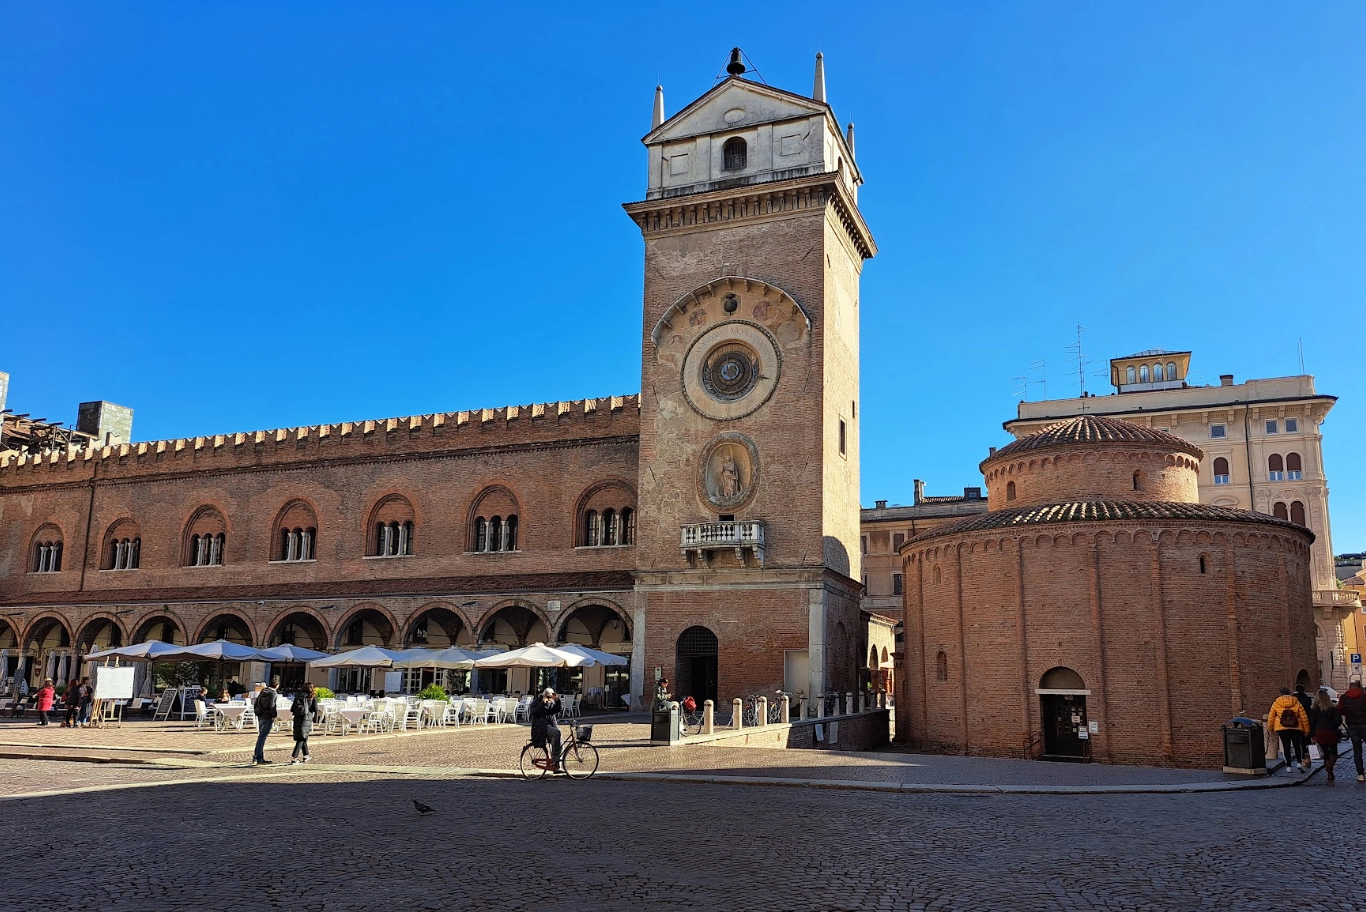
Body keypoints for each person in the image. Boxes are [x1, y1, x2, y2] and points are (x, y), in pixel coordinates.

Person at [1268, 687, 1310, 772]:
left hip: (1282, 727)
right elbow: (1303, 717)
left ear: (1280, 693)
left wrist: (1270, 728)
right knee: (1297, 745)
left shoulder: (1276, 703)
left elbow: (1271, 716)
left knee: (1285, 746)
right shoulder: (1296, 702)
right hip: (1296, 727)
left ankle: (1288, 766)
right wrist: (1306, 730)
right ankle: (1299, 762)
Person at [1308, 688, 1342, 782]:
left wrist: (1312, 734)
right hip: (1330, 731)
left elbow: (1312, 723)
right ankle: (1330, 768)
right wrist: (1333, 726)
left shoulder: (1314, 709)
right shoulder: (1332, 708)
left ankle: (1329, 772)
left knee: (1326, 753)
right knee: (1334, 753)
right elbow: (1338, 720)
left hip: (1319, 732)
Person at [1337, 677, 1366, 783]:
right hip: (1364, 724)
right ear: (1359, 688)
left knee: (1357, 750)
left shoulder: (1344, 697)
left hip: (1352, 725)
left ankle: (1360, 774)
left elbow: (1339, 710)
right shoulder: (1364, 696)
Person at [530, 687, 564, 773]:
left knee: (560, 742)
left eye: (551, 697)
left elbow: (557, 709)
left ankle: (556, 767)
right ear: (544, 696)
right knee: (556, 733)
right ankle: (554, 759)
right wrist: (543, 703)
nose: (550, 699)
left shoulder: (551, 703)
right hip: (540, 727)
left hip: (549, 726)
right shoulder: (537, 702)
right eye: (548, 697)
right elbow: (535, 713)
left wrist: (557, 701)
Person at [252, 676, 281, 765]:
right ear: (277, 685)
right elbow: (272, 705)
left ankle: (256, 756)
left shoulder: (262, 691)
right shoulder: (273, 693)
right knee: (262, 737)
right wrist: (274, 715)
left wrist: (257, 712)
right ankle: (259, 758)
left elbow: (256, 703)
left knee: (260, 736)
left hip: (260, 715)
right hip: (268, 716)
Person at [290, 683, 318, 764]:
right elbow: (315, 709)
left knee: (302, 736)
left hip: (297, 717)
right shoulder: (311, 696)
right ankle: (294, 758)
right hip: (306, 718)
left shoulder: (298, 696)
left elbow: (292, 708)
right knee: (301, 738)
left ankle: (306, 755)